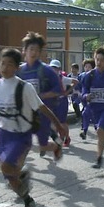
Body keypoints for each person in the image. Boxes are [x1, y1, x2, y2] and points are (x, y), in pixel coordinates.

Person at [0, 48, 66, 207]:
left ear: (17, 67)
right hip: (3, 134)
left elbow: (42, 108)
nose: (5, 67)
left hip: (22, 134)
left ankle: (23, 172)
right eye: (3, 63)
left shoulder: (24, 87)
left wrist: (58, 125)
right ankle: (28, 200)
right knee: (10, 178)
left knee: (5, 165)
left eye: (10, 64)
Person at [17, 32, 63, 160]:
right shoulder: (19, 71)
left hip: (42, 113)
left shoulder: (47, 70)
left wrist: (39, 96)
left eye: (37, 50)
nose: (34, 53)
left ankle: (55, 147)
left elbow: (57, 90)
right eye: (31, 49)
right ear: (24, 51)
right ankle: (16, 172)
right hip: (25, 113)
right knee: (22, 142)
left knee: (42, 145)